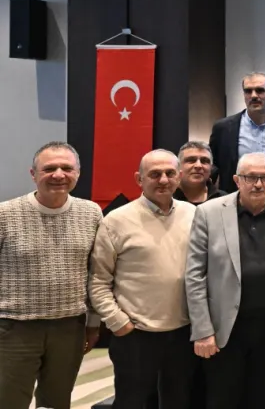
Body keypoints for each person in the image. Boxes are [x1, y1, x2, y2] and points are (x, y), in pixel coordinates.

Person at [185, 152, 265, 409]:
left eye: (264, 177)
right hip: (225, 328)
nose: (258, 184)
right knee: (223, 400)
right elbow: (194, 275)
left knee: (262, 398)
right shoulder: (208, 212)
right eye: (250, 178)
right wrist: (203, 330)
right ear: (237, 180)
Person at [90, 149, 197, 409]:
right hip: (135, 335)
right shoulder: (116, 220)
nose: (163, 180)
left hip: (183, 334)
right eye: (154, 174)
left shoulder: (194, 214)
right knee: (132, 403)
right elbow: (98, 280)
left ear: (179, 177)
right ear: (139, 179)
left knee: (179, 402)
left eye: (170, 173)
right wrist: (118, 322)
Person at [0, 142, 102, 409]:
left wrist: (93, 323)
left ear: (78, 173)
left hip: (69, 327)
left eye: (67, 168)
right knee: (9, 401)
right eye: (49, 169)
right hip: (13, 328)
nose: (59, 174)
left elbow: (96, 271)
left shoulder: (91, 213)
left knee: (57, 402)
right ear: (33, 174)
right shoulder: (5, 214)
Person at [210, 71, 265, 192]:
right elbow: (213, 166)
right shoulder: (223, 128)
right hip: (234, 196)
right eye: (248, 91)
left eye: (260, 90)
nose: (254, 95)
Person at [174, 140, 227, 206]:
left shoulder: (224, 200)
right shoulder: (167, 197)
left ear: (211, 168)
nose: (198, 165)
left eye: (204, 161)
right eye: (191, 160)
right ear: (178, 166)